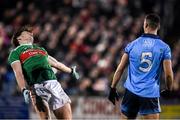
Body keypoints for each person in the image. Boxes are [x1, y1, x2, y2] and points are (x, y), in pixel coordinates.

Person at [108, 13, 173, 119]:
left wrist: (112, 88)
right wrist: (169, 89)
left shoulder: (132, 44)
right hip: (150, 93)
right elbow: (169, 75)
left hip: (131, 93)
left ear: (145, 25)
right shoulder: (164, 48)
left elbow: (120, 69)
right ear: (158, 26)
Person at [8, 26, 80, 120]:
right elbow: (18, 72)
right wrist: (23, 89)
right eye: (26, 32)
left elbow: (56, 64)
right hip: (37, 87)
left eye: (31, 33)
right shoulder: (16, 52)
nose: (31, 34)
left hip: (54, 84)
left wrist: (71, 70)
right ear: (19, 38)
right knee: (45, 118)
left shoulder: (40, 49)